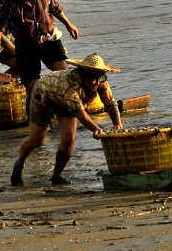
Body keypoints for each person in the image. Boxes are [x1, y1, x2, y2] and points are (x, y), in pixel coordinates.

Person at [10, 53, 123, 186]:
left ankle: (56, 174)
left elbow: (111, 104)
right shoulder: (69, 85)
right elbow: (81, 114)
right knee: (37, 139)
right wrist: (97, 130)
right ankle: (19, 163)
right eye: (93, 78)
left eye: (100, 77)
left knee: (69, 139)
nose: (97, 82)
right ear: (83, 74)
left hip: (65, 104)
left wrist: (118, 125)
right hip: (43, 96)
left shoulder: (100, 83)